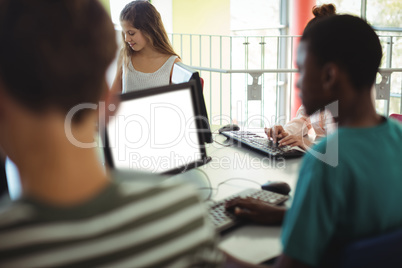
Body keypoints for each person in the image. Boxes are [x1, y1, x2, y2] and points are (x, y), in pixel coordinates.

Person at [0, 1, 227, 267]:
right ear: (108, 102)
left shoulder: (11, 247)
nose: (128, 38)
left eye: (131, 32)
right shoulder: (186, 213)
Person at [228, 14, 402, 267]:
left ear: (329, 75)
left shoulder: (325, 161)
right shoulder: (397, 136)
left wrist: (210, 252)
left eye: (301, 70)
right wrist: (286, 216)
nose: (297, 83)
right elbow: (360, 226)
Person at [265, 4, 337, 150]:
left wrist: (308, 145)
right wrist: (285, 132)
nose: (299, 84)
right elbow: (303, 119)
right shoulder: (320, 90)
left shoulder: (345, 100)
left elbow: (342, 152)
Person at [111, 0, 181, 93]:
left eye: (131, 33)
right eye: (124, 33)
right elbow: (113, 95)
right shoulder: (125, 55)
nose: (126, 39)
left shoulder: (173, 63)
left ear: (148, 30)